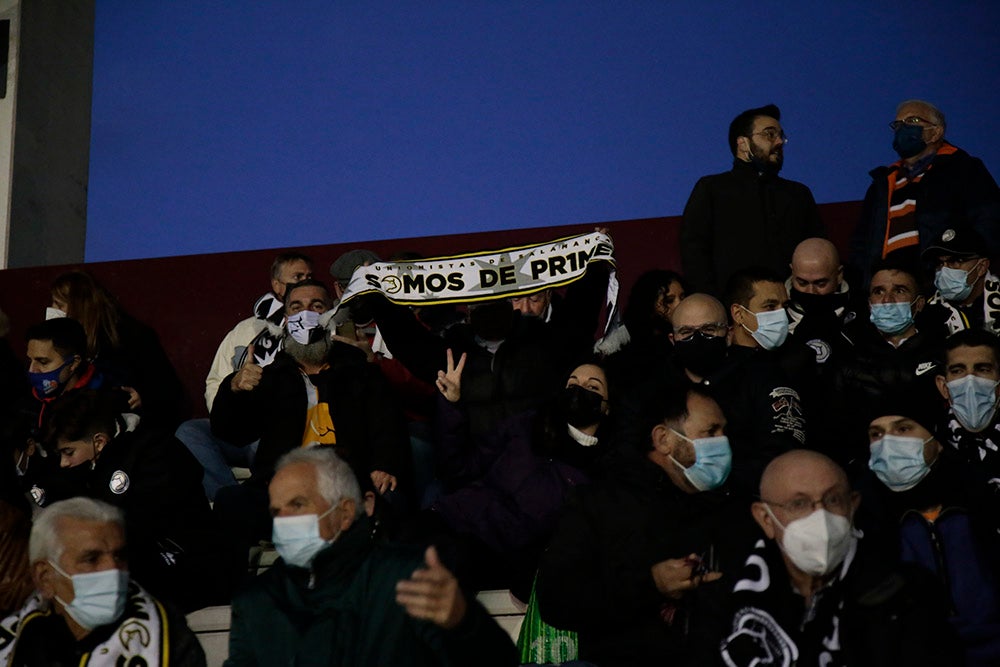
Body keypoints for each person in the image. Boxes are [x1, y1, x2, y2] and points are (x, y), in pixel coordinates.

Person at [224, 446, 517, 666]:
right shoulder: (258, 601)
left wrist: (463, 626)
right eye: (277, 511)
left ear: (351, 509)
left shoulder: (410, 575)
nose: (284, 521)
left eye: (298, 505)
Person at [536, 382, 756, 666]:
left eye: (724, 432)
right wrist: (651, 584)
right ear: (663, 439)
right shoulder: (599, 503)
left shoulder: (734, 509)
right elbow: (557, 600)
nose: (722, 443)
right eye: (710, 432)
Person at [719, 450, 961, 667]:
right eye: (799, 503)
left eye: (833, 500)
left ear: (852, 506)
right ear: (766, 518)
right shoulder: (727, 596)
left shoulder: (907, 593)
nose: (820, 517)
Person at [424, 355, 613, 596]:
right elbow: (460, 468)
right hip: (452, 518)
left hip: (492, 557)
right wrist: (452, 406)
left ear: (608, 406)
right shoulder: (528, 425)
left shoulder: (599, 474)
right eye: (572, 384)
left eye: (593, 387)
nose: (579, 391)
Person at [41, 389, 228, 611]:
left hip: (186, 571)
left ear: (99, 442)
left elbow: (146, 526)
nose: (63, 462)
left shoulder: (157, 451)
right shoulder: (77, 473)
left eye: (69, 452)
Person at [859, 403, 1000, 666]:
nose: (887, 443)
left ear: (937, 440)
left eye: (903, 428)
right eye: (876, 434)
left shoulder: (982, 504)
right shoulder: (865, 523)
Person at [0, 497, 205, 666]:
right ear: (44, 578)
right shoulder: (22, 638)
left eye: (119, 556)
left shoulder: (168, 638)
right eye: (91, 559)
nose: (113, 569)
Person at [176, 251, 313, 500]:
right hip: (239, 425)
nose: (305, 281)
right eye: (297, 276)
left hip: (284, 428)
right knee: (190, 432)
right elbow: (215, 381)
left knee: (270, 442)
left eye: (309, 276)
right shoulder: (246, 330)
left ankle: (256, 506)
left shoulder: (320, 330)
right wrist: (228, 411)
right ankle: (226, 501)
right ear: (277, 285)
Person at [850, 99, 1000, 288]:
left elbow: (988, 223)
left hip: (942, 284)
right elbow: (862, 244)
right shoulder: (881, 185)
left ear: (936, 132)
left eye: (912, 121)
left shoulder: (963, 169)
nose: (902, 128)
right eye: (898, 124)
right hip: (891, 292)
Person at [680, 103, 824, 296]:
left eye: (781, 135)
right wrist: (716, 306)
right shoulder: (711, 189)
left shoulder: (798, 194)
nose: (779, 141)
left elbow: (819, 250)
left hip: (793, 309)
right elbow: (694, 254)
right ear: (743, 143)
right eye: (769, 134)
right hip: (732, 310)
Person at [830, 259, 946, 467]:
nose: (887, 300)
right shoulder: (849, 358)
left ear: (919, 304)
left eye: (899, 291)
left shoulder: (942, 355)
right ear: (869, 304)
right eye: (878, 292)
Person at [48, 270, 185, 430]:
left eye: (59, 305)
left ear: (79, 306)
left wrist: (144, 396)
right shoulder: (65, 342)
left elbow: (166, 387)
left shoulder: (127, 335)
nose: (52, 309)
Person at [935, 328, 1000, 479]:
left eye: (983, 369)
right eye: (958, 371)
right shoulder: (931, 447)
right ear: (943, 387)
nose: (970, 380)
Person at [922, 226, 1000, 335]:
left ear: (981, 267)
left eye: (955, 261)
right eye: (939, 263)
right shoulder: (926, 310)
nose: (944, 270)